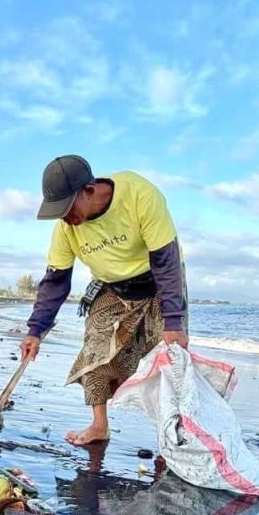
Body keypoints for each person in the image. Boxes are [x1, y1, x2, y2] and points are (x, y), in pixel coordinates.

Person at [21, 154, 188, 447]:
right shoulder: (66, 228)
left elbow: (166, 261)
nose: (65, 217)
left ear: (89, 190)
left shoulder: (140, 195)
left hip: (159, 280)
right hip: (113, 286)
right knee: (95, 347)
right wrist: (35, 330)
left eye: (67, 207)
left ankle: (171, 437)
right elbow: (56, 280)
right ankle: (99, 426)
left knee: (169, 360)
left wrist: (174, 321)